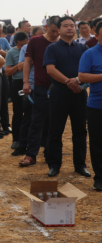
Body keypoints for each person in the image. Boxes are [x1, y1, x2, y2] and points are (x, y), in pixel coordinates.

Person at [43, 16, 89, 178]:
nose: (69, 28)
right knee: (55, 130)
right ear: (59, 29)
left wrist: (78, 83)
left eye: (71, 25)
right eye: (66, 26)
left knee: (80, 130)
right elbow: (50, 69)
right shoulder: (52, 48)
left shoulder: (82, 48)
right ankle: (54, 165)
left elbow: (88, 70)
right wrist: (69, 82)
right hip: (59, 92)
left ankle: (80, 165)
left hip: (79, 92)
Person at [19, 16, 60, 168]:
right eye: (53, 30)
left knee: (54, 123)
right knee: (36, 122)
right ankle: (31, 154)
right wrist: (25, 83)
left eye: (58, 31)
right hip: (40, 87)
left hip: (59, 87)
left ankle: (50, 153)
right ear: (47, 27)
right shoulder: (35, 41)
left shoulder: (62, 43)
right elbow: (27, 63)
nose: (56, 34)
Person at [78, 21, 102, 191]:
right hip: (97, 106)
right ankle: (100, 177)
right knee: (97, 142)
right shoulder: (90, 54)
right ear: (97, 36)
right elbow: (82, 76)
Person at [4, 32, 29, 149]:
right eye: (21, 45)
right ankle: (16, 139)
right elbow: (7, 72)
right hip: (18, 83)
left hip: (30, 82)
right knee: (18, 111)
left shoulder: (31, 50)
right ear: (15, 43)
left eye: (26, 43)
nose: (23, 46)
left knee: (31, 112)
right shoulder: (11, 52)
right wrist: (19, 66)